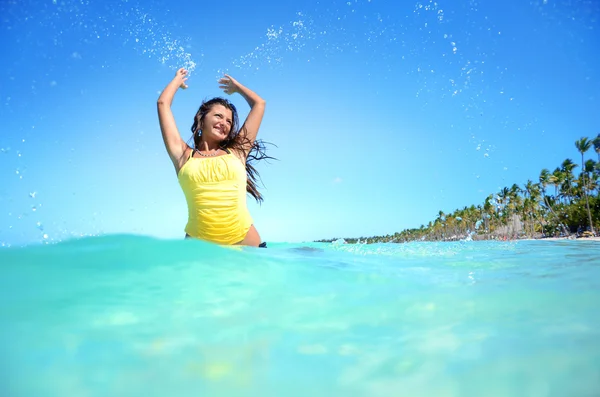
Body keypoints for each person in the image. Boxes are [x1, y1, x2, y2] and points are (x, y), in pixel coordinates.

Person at [157, 68, 270, 247]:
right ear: (202, 119)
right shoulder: (183, 155)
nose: (224, 123)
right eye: (218, 116)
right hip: (199, 249)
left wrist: (238, 88)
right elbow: (163, 103)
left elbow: (259, 104)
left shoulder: (237, 152)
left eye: (229, 121)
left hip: (245, 244)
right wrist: (177, 81)